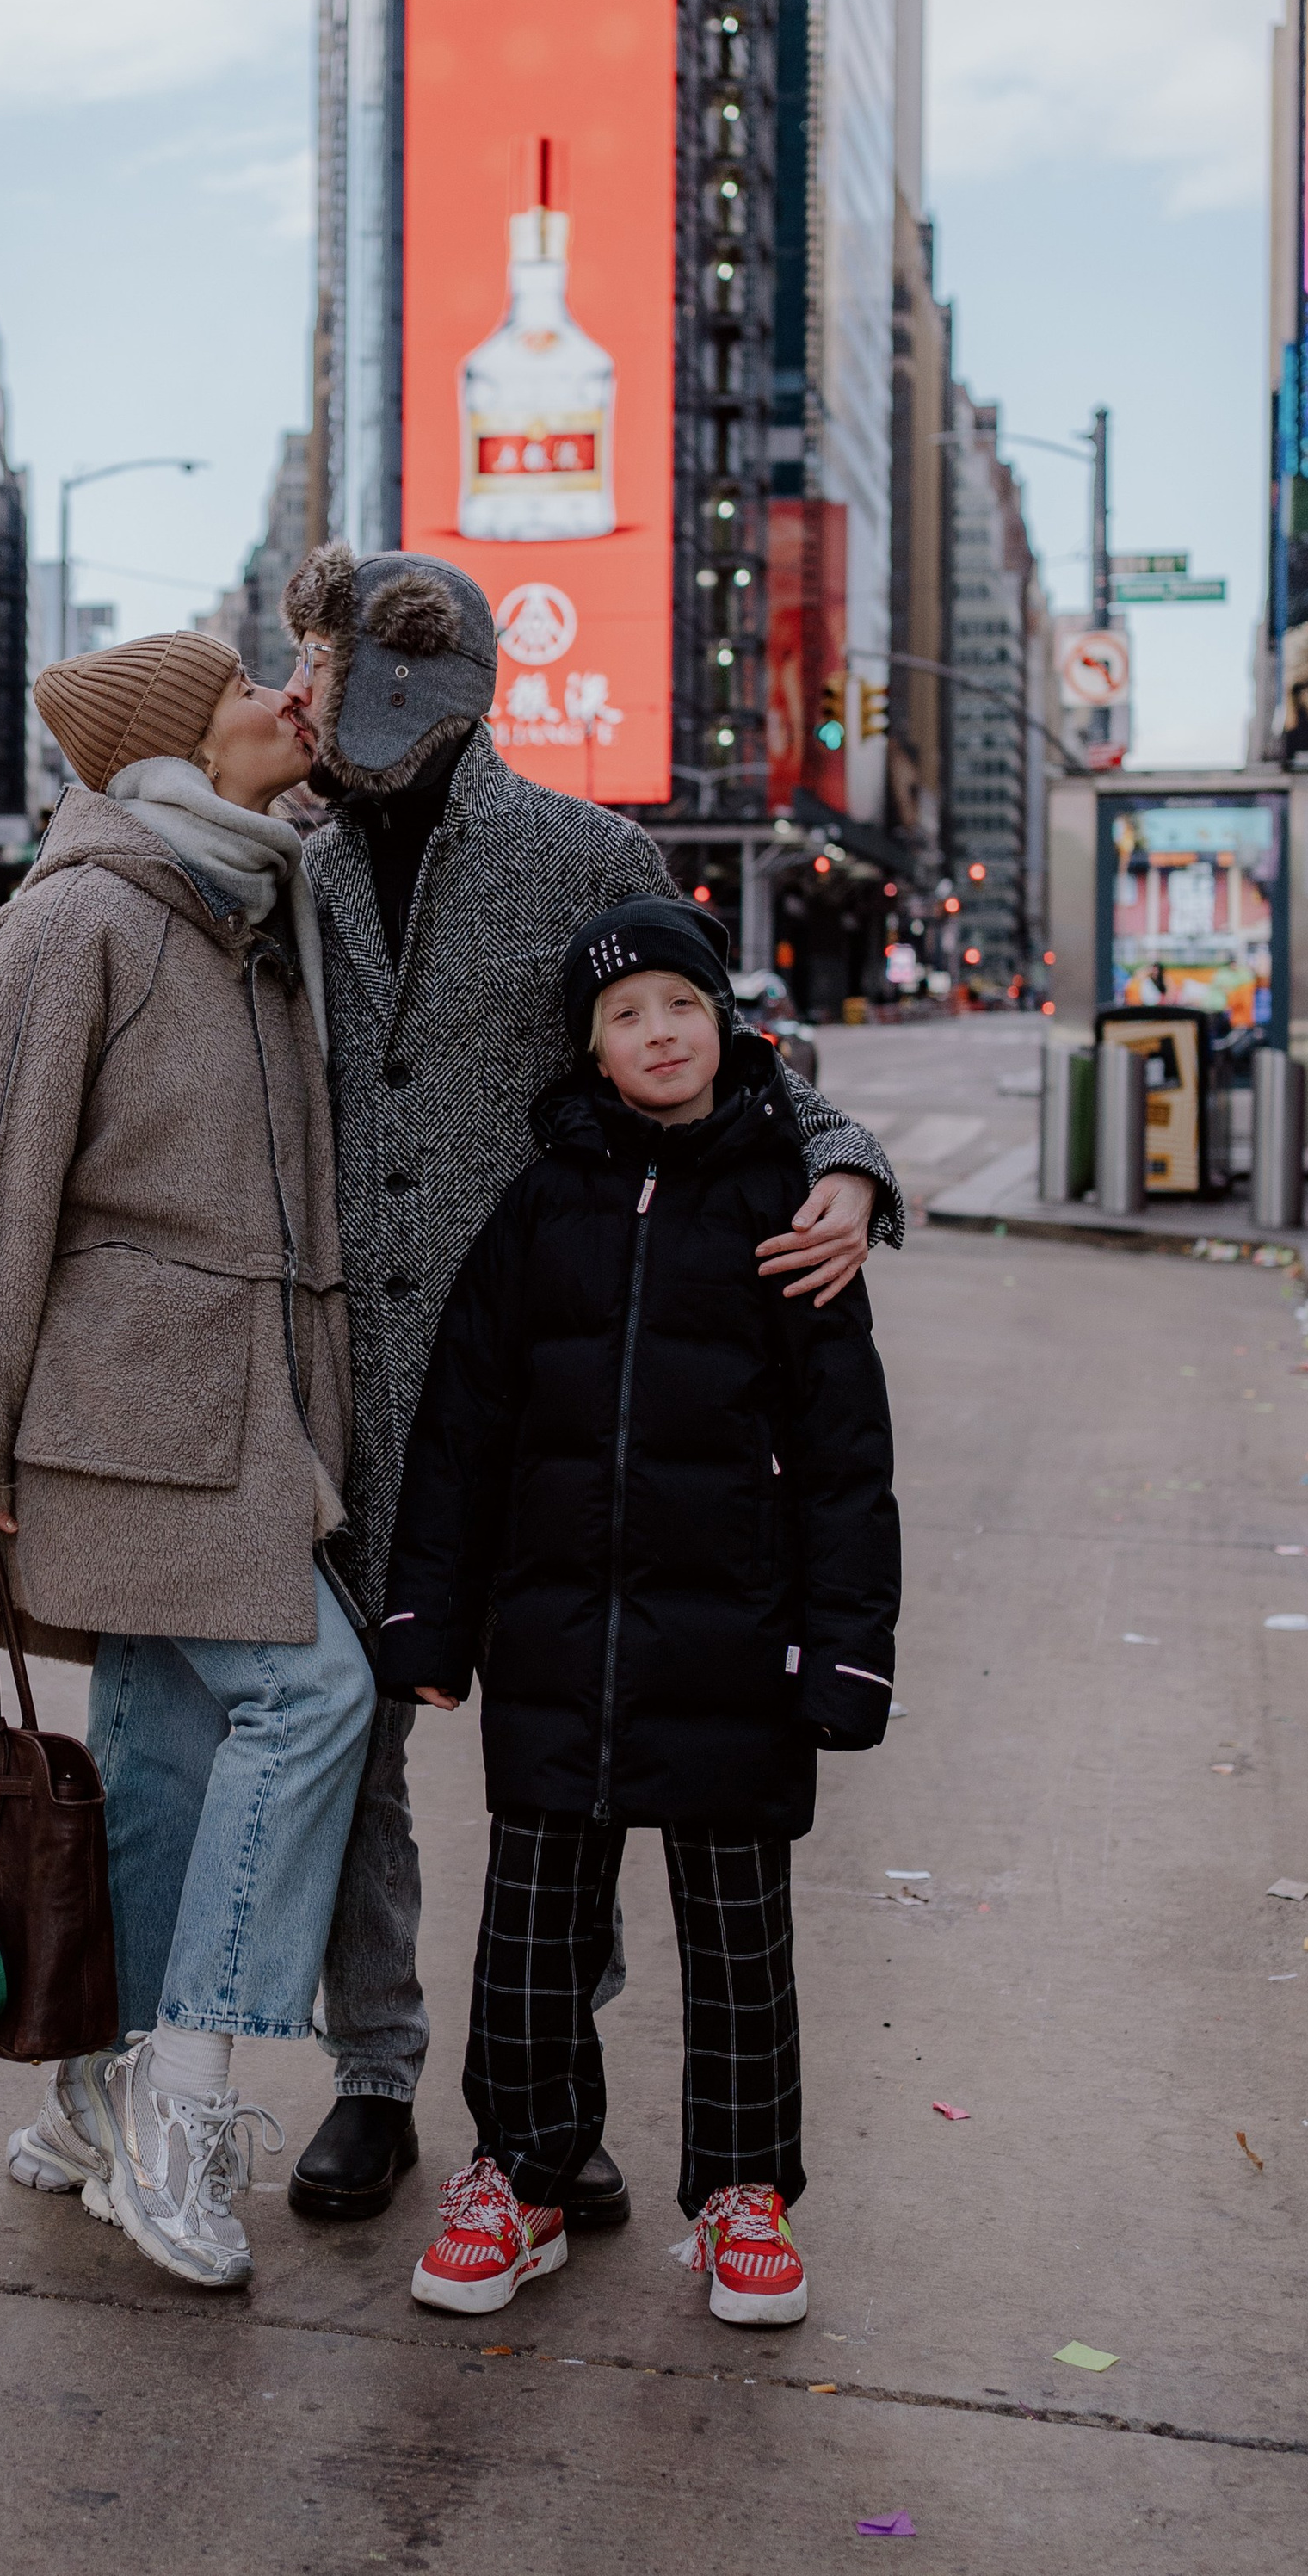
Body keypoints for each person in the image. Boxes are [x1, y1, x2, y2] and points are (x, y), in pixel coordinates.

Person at [275, 543, 904, 2224]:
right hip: (335, 1381)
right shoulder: (285, 868)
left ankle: (552, 2090)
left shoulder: (586, 855)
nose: (321, 701)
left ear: (424, 678)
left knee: (577, 1756)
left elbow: (730, 1056)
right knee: (354, 1747)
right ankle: (370, 2070)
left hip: (547, 1386)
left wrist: (842, 1169)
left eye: (337, 670)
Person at [0, 630, 374, 2294]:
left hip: (232, 1411)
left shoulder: (243, 903)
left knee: (159, 1744)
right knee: (313, 1698)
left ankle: (99, 2078)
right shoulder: (80, 917)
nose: (276, 708)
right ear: (172, 751)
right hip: (124, 1417)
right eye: (245, 693)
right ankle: (184, 2095)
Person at [379, 895, 899, 2324]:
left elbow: (850, 1458)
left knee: (739, 1940)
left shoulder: (790, 1205)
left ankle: (744, 2194)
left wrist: (850, 1655)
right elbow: (464, 1428)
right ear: (591, 1051)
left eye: (679, 1003)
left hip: (737, 1634)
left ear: (724, 1019)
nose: (657, 1034)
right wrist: (428, 1619)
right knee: (532, 1931)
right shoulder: (541, 1208)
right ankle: (522, 2175)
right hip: (554, 1638)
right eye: (624, 1016)